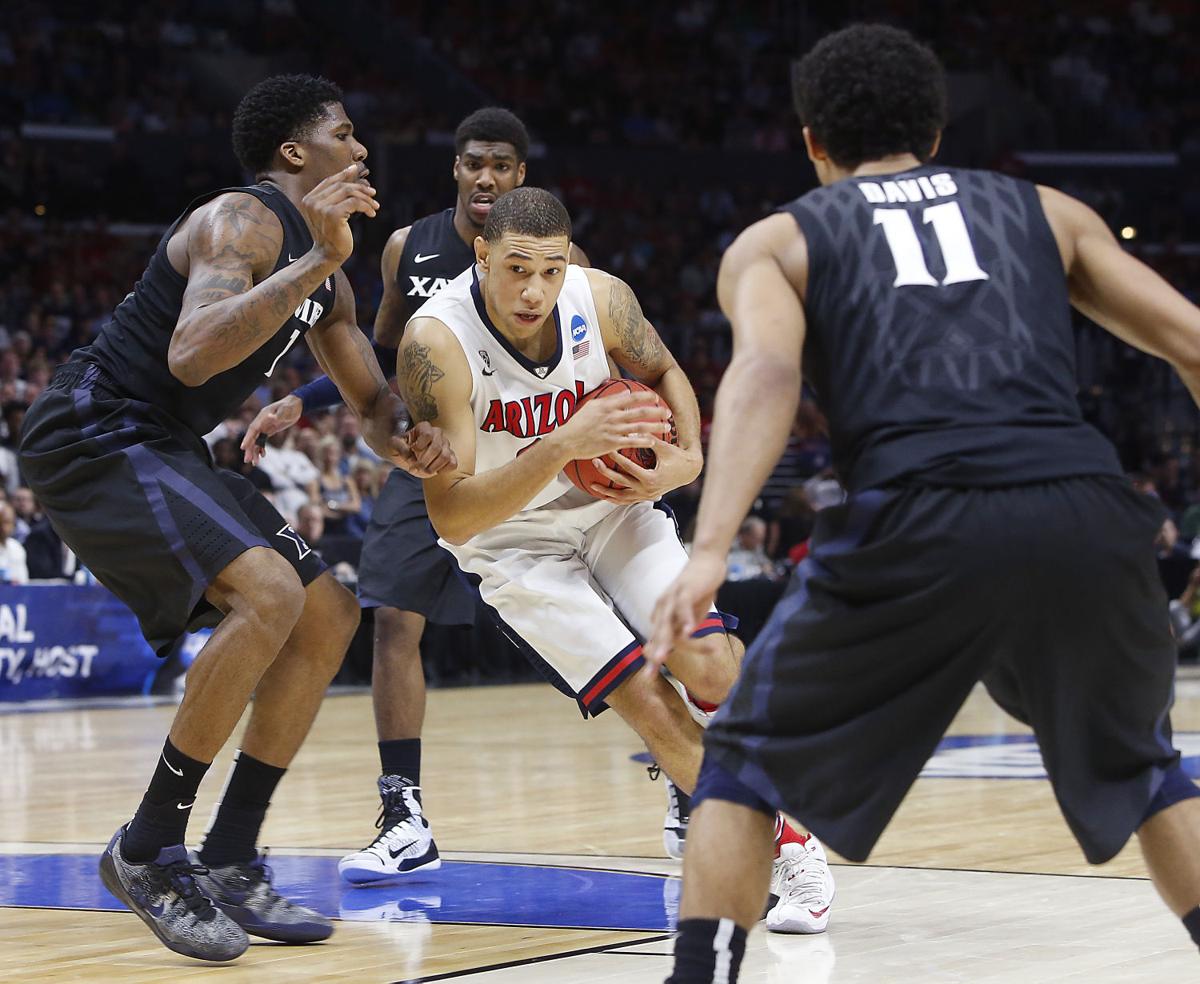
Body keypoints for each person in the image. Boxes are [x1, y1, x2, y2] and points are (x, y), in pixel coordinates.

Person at [647, 24, 1200, 983]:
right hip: (1081, 510)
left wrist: (709, 548)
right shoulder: (1050, 211)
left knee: (740, 758)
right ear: (937, 134)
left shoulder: (781, 240)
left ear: (813, 141)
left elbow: (767, 374)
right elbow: (1192, 342)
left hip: (919, 516)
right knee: (1147, 769)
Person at [18, 74, 454, 963]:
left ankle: (228, 856)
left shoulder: (325, 278)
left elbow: (373, 411)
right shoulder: (242, 222)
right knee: (266, 593)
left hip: (165, 441)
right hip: (95, 429)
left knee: (328, 611)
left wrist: (415, 440)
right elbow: (188, 354)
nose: (362, 147)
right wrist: (319, 261)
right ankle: (147, 848)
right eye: (345, 132)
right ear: (296, 153)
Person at [398, 185, 835, 933]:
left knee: (710, 668)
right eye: (515, 269)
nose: (534, 289)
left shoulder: (601, 299)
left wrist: (686, 460)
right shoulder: (435, 343)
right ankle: (792, 848)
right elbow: (453, 513)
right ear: (480, 256)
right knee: (647, 703)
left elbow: (666, 372)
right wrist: (564, 442)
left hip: (616, 510)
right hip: (511, 544)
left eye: (550, 268)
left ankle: (743, 761)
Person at [242, 108, 597, 883]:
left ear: (520, 176)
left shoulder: (551, 259)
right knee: (391, 622)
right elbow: (377, 356)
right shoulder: (408, 247)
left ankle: (681, 781)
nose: (486, 178)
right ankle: (403, 815)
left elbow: (593, 357)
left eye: (502, 165)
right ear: (457, 170)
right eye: (474, 163)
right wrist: (305, 398)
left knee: (594, 620)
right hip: (430, 459)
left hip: (525, 458)